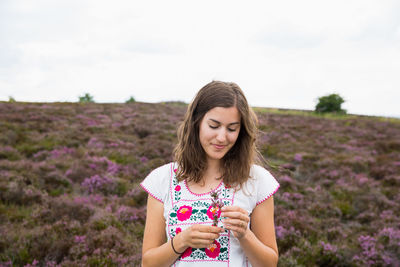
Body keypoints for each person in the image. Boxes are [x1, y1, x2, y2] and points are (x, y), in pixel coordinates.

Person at [140, 81, 280, 267]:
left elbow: (270, 264)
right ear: (196, 123)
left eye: (232, 128)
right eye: (214, 126)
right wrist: (182, 241)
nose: (222, 137)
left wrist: (245, 234)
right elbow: (148, 263)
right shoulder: (163, 180)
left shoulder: (257, 180)